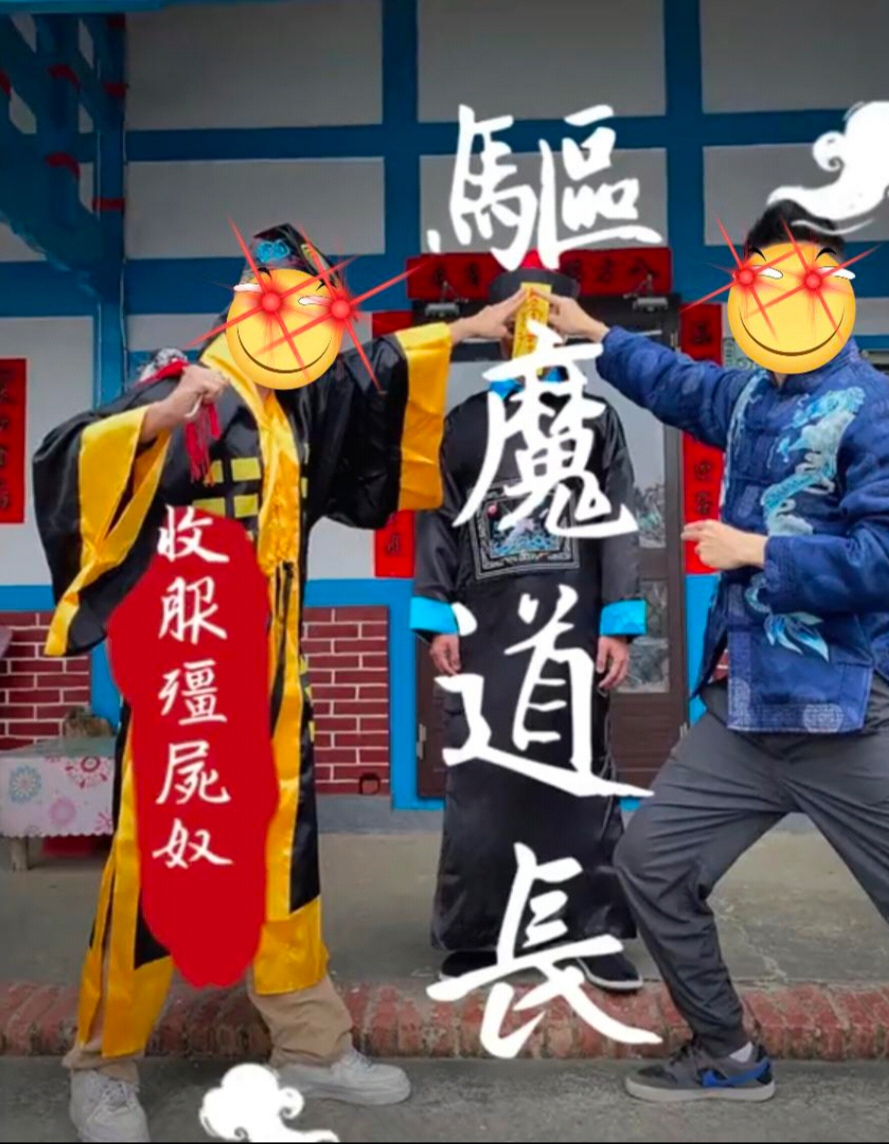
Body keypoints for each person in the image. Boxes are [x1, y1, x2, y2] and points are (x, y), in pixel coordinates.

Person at [546, 201, 889, 1134]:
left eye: (812, 278)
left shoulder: (871, 406)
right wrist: (595, 332)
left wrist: (757, 550)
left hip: (848, 711)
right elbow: (680, 382)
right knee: (650, 863)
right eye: (771, 278)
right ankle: (726, 1050)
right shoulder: (754, 395)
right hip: (747, 709)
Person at [34, 223, 525, 1144]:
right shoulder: (188, 383)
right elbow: (73, 454)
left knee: (283, 866)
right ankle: (102, 1065)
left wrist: (462, 332)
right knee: (156, 867)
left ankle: (310, 1044)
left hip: (274, 682)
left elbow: (373, 386)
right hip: (190, 683)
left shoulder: (291, 401)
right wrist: (156, 423)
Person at [410, 255, 645, 992]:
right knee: (484, 780)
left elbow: (620, 521)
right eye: (522, 323)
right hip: (486, 631)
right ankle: (481, 932)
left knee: (578, 776)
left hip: (573, 630)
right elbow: (439, 523)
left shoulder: (597, 422)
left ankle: (592, 929)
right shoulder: (464, 425)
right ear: (500, 333)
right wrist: (437, 618)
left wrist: (618, 622)